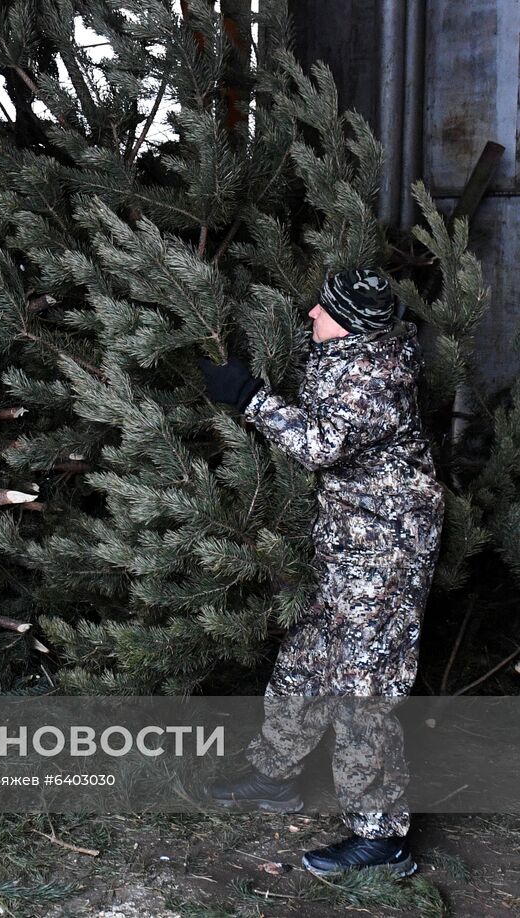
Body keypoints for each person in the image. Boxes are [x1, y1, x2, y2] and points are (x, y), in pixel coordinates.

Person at [196, 267, 445, 877]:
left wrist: (249, 397)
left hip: (385, 552)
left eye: (323, 309)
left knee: (365, 689)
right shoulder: (350, 353)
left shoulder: (375, 374)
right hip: (351, 543)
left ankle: (381, 841)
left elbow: (321, 444)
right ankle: (274, 775)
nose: (310, 313)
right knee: (306, 657)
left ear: (352, 323)